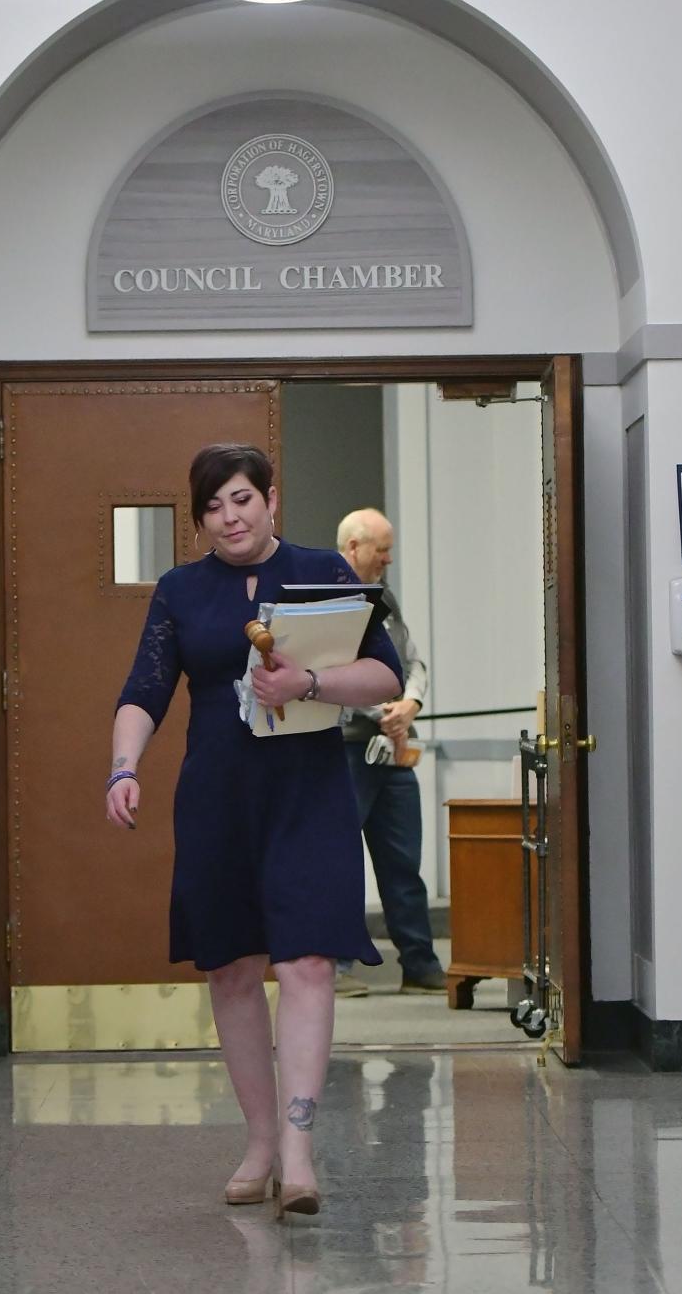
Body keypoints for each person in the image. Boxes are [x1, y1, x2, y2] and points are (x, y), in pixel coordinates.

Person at [106, 445, 402, 1219]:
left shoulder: (324, 576)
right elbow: (144, 688)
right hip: (218, 799)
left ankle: (301, 1153)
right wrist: (122, 765)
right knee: (233, 969)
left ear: (270, 496)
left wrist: (309, 681)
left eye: (241, 499)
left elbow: (385, 675)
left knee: (307, 962)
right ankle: (262, 1141)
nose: (228, 517)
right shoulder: (179, 590)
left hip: (307, 794)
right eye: (212, 507)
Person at [335, 508, 447, 997]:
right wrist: (385, 708)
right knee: (337, 860)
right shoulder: (326, 602)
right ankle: (334, 965)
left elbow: (414, 659)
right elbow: (326, 676)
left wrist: (411, 702)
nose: (389, 558)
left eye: (389, 548)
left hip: (392, 751)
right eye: (381, 549)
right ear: (353, 548)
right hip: (344, 752)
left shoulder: (387, 600)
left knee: (403, 861)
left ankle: (419, 964)